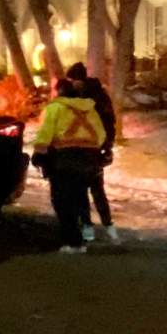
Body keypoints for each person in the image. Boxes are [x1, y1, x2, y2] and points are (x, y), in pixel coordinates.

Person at [33, 78, 106, 253]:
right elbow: (101, 135)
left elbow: (45, 133)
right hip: (88, 160)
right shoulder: (90, 110)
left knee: (62, 200)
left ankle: (71, 241)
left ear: (58, 92)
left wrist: (39, 154)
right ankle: (81, 239)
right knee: (80, 198)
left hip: (64, 160)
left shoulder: (55, 108)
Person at [65, 62, 119, 243]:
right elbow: (110, 121)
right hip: (95, 147)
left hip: (89, 148)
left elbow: (107, 121)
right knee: (96, 187)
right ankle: (106, 226)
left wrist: (107, 145)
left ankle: (91, 226)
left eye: (72, 80)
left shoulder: (89, 98)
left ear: (78, 80)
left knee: (87, 188)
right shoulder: (98, 94)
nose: (71, 83)